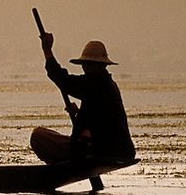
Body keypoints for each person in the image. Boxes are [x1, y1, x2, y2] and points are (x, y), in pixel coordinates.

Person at [31, 34, 135, 164]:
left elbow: (62, 79)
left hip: (102, 149)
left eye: (90, 64)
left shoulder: (97, 83)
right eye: (86, 64)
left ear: (101, 66)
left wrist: (47, 50)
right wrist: (78, 113)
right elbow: (99, 118)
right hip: (118, 149)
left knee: (38, 136)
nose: (86, 68)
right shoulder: (106, 85)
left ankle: (64, 164)